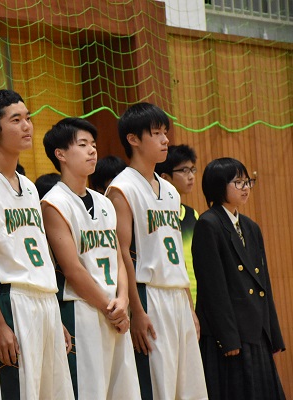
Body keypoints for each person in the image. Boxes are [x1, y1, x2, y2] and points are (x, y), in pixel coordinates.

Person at [0, 89, 74, 400]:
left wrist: (55, 317)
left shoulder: (30, 188)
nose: (27, 126)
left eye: (28, 118)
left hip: (46, 303)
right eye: (16, 120)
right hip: (12, 304)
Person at [106, 102, 207, 400]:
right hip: (149, 295)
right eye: (156, 133)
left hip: (177, 295)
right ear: (133, 139)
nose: (165, 140)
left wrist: (189, 306)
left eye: (165, 132)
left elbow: (175, 254)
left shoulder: (171, 190)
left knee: (190, 389)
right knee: (160, 386)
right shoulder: (122, 189)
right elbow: (122, 253)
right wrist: (137, 311)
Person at [41, 118, 140, 399]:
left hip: (115, 310)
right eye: (83, 145)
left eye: (93, 145)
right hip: (82, 310)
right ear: (60, 154)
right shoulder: (53, 203)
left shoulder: (105, 202)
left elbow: (118, 255)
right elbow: (72, 269)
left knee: (124, 393)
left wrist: (124, 300)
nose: (92, 151)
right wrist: (111, 309)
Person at [192, 157, 285, 399]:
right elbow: (213, 288)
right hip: (230, 336)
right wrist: (228, 338)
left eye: (247, 182)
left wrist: (273, 335)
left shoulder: (251, 226)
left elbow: (264, 285)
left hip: (256, 331)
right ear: (218, 186)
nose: (246, 188)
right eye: (238, 182)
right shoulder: (208, 224)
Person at [155, 144, 199, 304]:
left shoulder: (192, 214)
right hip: (171, 296)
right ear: (165, 177)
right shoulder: (158, 216)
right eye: (184, 170)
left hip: (197, 293)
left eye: (192, 169)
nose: (191, 176)